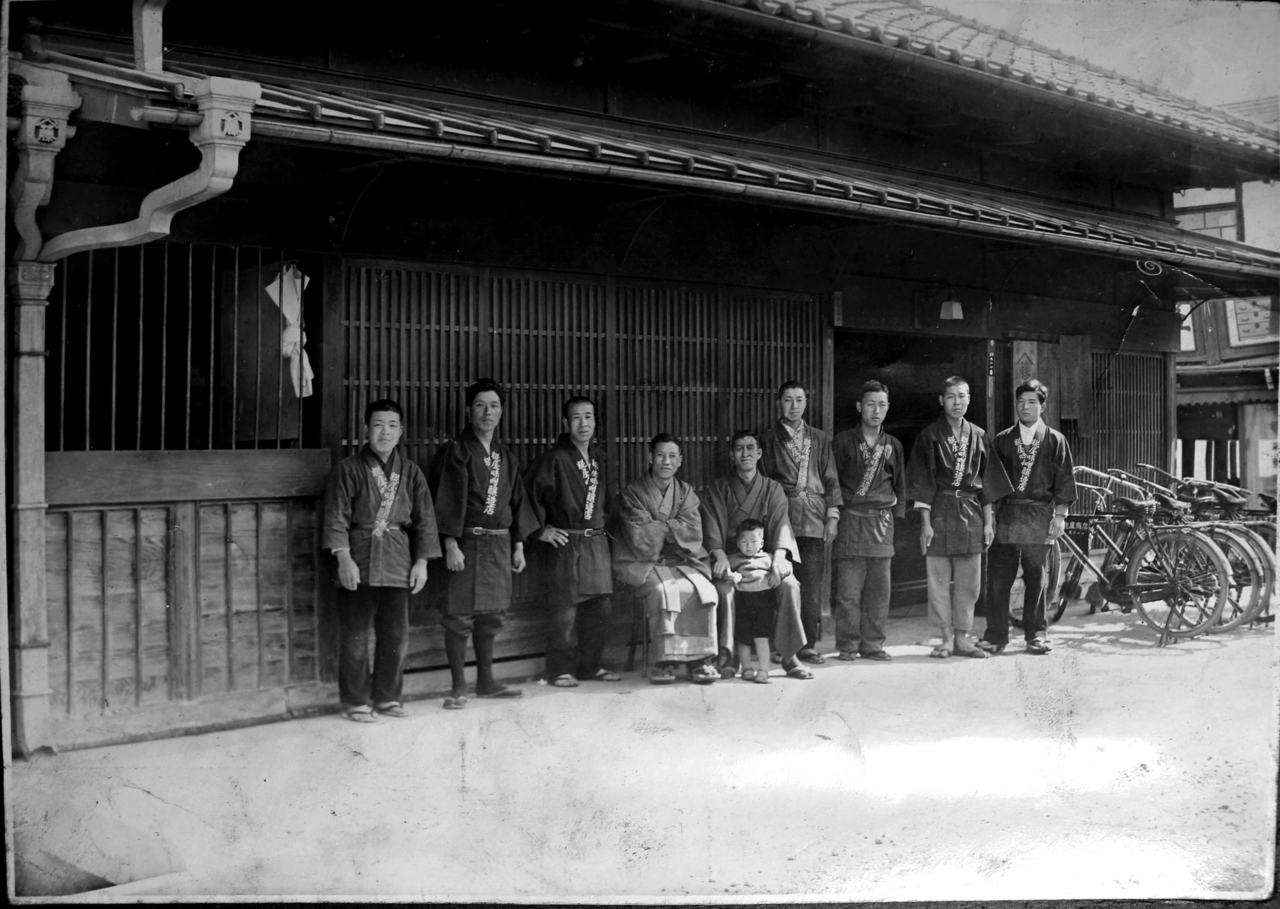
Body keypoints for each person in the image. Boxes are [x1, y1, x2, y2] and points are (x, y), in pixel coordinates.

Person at [323, 399, 440, 722]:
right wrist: (343, 558)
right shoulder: (348, 469)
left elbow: (425, 520)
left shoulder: (411, 472)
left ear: (401, 431)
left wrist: (422, 562)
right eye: (377, 425)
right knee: (355, 633)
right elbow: (335, 517)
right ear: (365, 429)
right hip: (358, 558)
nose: (384, 432)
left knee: (395, 635)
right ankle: (356, 701)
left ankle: (387, 697)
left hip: (398, 560)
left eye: (391, 426)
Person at [428, 378, 539, 708]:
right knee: (459, 616)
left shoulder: (506, 456)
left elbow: (516, 501)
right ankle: (459, 686)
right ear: (468, 410)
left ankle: (487, 682)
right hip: (466, 544)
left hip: (499, 545)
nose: (487, 412)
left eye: (493, 406)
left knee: (492, 615)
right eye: (480, 405)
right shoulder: (456, 451)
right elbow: (444, 498)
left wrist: (519, 544)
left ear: (501, 411)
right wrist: (449, 543)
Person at [905, 376, 1013, 659]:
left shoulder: (978, 435)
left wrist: (989, 523)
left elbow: (988, 484)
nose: (957, 402)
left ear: (969, 399)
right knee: (938, 580)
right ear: (942, 400)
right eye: (951, 396)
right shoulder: (929, 435)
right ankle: (944, 638)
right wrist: (925, 524)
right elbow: (922, 482)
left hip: (971, 513)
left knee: (969, 582)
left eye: (962, 396)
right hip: (939, 511)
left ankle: (963, 638)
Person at [525, 395, 620, 688]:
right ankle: (560, 669)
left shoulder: (600, 458)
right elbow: (527, 496)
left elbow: (610, 503)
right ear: (565, 423)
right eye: (576, 417)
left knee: (600, 609)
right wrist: (541, 530)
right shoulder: (554, 459)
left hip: (596, 543)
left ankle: (590, 666)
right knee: (564, 610)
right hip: (567, 542)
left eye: (589, 416)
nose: (584, 423)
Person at [702, 430, 812, 680]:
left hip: (765, 558)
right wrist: (719, 556)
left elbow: (782, 525)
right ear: (732, 454)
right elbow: (711, 526)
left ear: (760, 454)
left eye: (751, 448)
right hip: (731, 559)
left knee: (789, 585)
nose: (745, 453)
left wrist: (780, 558)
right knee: (723, 590)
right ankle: (727, 657)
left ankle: (789, 656)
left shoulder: (772, 489)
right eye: (739, 448)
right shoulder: (719, 488)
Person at [611, 434, 720, 685]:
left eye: (672, 456)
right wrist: (673, 528)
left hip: (682, 561)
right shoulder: (634, 493)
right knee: (662, 592)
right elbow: (638, 532)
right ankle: (663, 661)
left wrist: (659, 526)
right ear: (650, 458)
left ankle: (699, 660)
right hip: (644, 564)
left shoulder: (686, 493)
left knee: (705, 592)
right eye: (660, 455)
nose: (666, 461)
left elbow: (692, 528)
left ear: (680, 460)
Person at [978, 379, 1077, 655]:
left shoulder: (1055, 440)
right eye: (1021, 401)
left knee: (1037, 578)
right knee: (999, 579)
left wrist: (1060, 515)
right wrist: (991, 517)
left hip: (1039, 515)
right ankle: (996, 634)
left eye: (1032, 401)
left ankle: (1036, 634)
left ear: (1042, 406)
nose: (1025, 407)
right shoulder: (1002, 439)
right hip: (1008, 515)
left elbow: (1065, 480)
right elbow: (990, 481)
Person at [759, 381, 842, 664]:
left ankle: (807, 644)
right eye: (788, 401)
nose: (794, 407)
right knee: (780, 580)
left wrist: (832, 516)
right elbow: (765, 479)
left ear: (806, 402)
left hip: (815, 517)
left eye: (799, 400)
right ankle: (778, 643)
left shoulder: (818, 438)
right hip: (781, 515)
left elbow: (830, 478)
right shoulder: (769, 439)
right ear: (779, 403)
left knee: (811, 584)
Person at [831, 380, 906, 662]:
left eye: (882, 404)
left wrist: (896, 521)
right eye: (871, 404)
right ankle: (848, 646)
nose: (876, 410)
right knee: (849, 593)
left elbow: (900, 486)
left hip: (882, 524)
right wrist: (834, 515)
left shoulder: (893, 445)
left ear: (888, 408)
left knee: (879, 591)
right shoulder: (842, 441)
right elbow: (833, 482)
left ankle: (873, 644)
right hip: (851, 521)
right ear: (859, 406)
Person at [728, 518, 778, 684]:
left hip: (764, 601)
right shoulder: (734, 559)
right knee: (743, 637)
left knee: (761, 636)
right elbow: (720, 569)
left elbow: (786, 567)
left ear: (761, 543)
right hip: (743, 600)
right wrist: (731, 575)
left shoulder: (769, 558)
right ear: (737, 543)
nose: (748, 546)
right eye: (744, 541)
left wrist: (777, 574)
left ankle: (764, 670)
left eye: (753, 541)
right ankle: (746, 668)